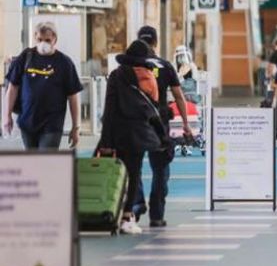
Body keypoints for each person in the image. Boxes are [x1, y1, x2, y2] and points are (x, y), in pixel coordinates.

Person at [99, 40, 170, 235]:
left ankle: (112, 212)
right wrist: (163, 136)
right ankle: (127, 216)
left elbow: (110, 108)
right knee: (134, 173)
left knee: (117, 176)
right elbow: (153, 107)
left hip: (117, 132)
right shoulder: (148, 77)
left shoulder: (115, 75)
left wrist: (105, 141)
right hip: (138, 133)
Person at [136, 26, 194, 229]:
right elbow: (178, 96)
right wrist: (186, 124)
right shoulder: (165, 66)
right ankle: (156, 215)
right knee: (160, 170)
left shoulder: (130, 65)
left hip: (135, 121)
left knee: (133, 166)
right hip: (159, 122)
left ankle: (136, 204)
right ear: (156, 42)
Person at [4, 22, 83, 150]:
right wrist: (6, 116)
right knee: (32, 163)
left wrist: (76, 127)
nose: (43, 43)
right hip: (27, 122)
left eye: (47, 40)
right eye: (40, 39)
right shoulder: (25, 57)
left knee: (45, 162)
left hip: (52, 125)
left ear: (55, 40)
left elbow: (73, 97)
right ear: (35, 37)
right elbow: (12, 88)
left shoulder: (64, 63)